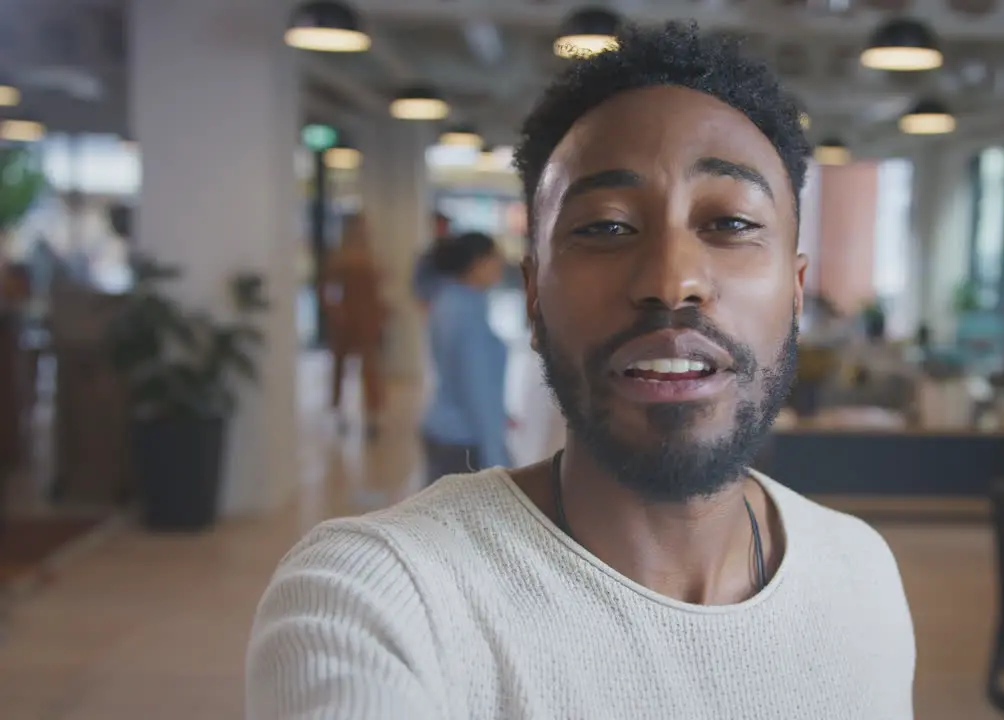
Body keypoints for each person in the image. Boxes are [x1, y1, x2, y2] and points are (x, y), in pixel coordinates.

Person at [247, 23, 915, 719]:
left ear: (797, 289)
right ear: (534, 293)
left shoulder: (860, 572)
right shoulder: (383, 599)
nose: (671, 280)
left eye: (731, 223)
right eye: (606, 226)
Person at [418, 231, 510, 483]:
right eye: (494, 257)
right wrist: (496, 458)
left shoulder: (447, 299)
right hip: (463, 440)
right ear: (476, 262)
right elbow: (475, 386)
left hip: (444, 429)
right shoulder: (466, 313)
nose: (500, 264)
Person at [320, 212, 387, 438]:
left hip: (368, 320)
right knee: (341, 368)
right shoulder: (339, 256)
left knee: (371, 370)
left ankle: (373, 416)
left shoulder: (371, 254)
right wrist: (336, 313)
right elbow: (326, 290)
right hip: (346, 320)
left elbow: (378, 288)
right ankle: (339, 412)